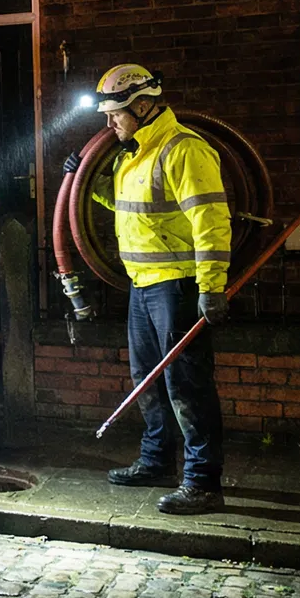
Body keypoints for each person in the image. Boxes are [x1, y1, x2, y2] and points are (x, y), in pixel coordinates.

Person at [64, 64, 231, 515]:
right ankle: (157, 460)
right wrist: (87, 181)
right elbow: (127, 206)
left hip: (177, 286)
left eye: (115, 113)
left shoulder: (183, 149)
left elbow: (211, 220)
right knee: (148, 379)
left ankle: (203, 482)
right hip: (143, 286)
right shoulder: (134, 153)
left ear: (142, 106)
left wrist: (212, 286)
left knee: (187, 384)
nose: (109, 122)